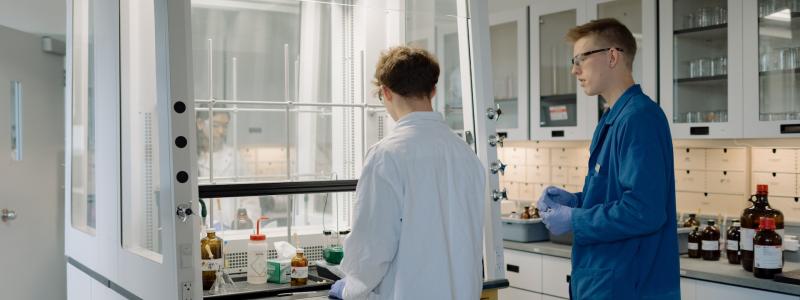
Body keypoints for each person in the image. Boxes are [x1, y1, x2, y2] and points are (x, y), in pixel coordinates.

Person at [536, 18, 679, 299]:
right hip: (605, 280)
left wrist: (575, 219)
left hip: (628, 285)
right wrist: (578, 201)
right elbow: (615, 195)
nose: (574, 70)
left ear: (612, 56)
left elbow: (644, 211)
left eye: (581, 59)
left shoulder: (639, 118)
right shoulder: (612, 119)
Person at [328, 47, 486, 299]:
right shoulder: (467, 156)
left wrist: (349, 289)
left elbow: (371, 247)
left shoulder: (386, 156)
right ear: (432, 90)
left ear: (386, 92)